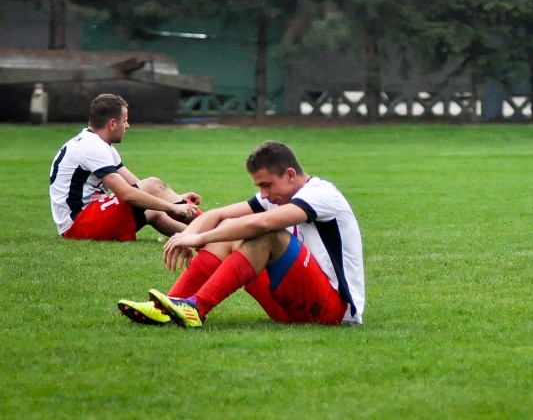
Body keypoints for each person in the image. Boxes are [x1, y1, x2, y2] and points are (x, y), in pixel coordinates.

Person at [117, 140, 365, 327]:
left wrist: (200, 239)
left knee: (267, 234)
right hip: (292, 306)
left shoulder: (322, 195)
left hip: (335, 310)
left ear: (290, 175)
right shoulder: (277, 196)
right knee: (228, 232)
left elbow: (263, 223)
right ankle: (167, 307)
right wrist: (186, 236)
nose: (264, 194)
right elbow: (217, 216)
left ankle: (197, 307)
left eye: (267, 185)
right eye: (260, 187)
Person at [49, 93, 200, 240]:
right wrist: (173, 206)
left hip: (83, 219)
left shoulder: (96, 143)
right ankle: (212, 224)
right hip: (79, 223)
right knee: (153, 184)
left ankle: (204, 236)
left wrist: (176, 199)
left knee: (154, 211)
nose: (127, 126)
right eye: (125, 121)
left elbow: (139, 187)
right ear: (113, 123)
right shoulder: (92, 146)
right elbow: (128, 194)